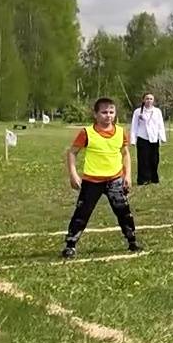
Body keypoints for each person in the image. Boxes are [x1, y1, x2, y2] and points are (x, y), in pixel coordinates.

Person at [59, 97, 141, 259]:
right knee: (82, 213)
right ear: (95, 114)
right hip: (92, 181)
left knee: (123, 212)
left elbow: (125, 154)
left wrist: (128, 175)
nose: (108, 116)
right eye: (104, 112)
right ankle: (70, 244)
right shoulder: (87, 133)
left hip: (115, 180)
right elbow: (72, 152)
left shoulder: (120, 132)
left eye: (111, 112)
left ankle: (132, 240)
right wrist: (73, 174)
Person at [129, 92, 165, 186]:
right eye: (147, 99)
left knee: (154, 159)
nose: (149, 100)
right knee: (143, 160)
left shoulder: (157, 111)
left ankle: (153, 178)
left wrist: (162, 137)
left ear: (153, 101)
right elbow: (134, 126)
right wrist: (133, 140)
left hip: (154, 138)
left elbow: (160, 125)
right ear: (143, 100)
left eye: (151, 99)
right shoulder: (138, 112)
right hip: (142, 138)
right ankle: (143, 180)